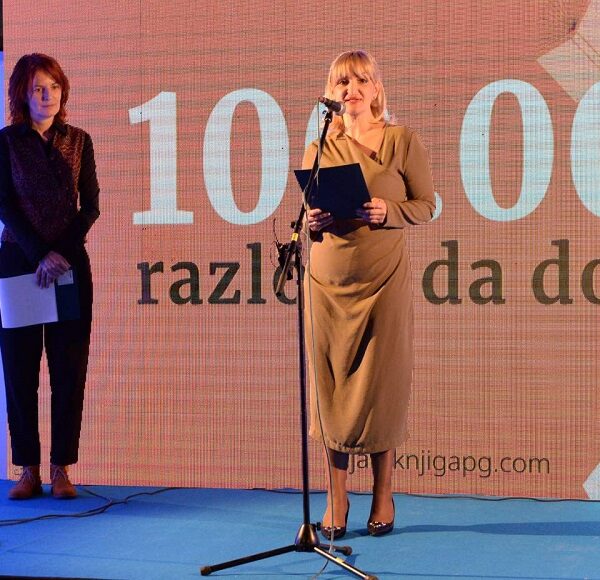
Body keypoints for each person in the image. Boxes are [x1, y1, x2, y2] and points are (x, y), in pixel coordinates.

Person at [303, 50, 435, 538]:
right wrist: (313, 222)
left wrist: (388, 211)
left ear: (377, 88)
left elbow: (427, 204)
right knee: (331, 390)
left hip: (383, 281)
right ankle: (336, 497)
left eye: (360, 80)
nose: (351, 89)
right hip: (328, 284)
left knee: (382, 387)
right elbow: (310, 216)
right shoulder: (320, 147)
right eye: (342, 81)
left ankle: (383, 493)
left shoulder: (403, 141)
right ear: (331, 91)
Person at [0, 54, 100, 499]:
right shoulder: (6, 143)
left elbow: (91, 206)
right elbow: (4, 204)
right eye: (39, 88)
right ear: (22, 94)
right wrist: (39, 254)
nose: (48, 96)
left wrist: (59, 253)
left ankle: (62, 468)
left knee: (68, 370)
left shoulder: (79, 140)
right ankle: (28, 470)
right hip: (19, 265)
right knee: (20, 372)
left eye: (55, 87)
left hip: (68, 266)